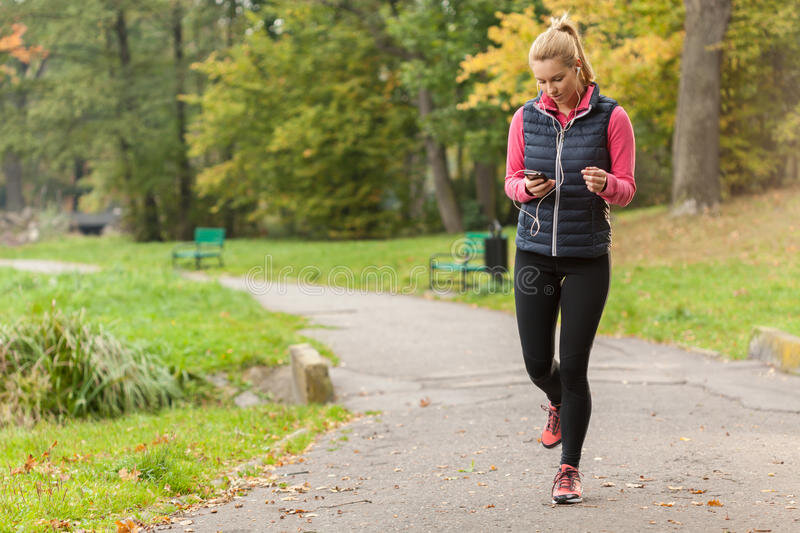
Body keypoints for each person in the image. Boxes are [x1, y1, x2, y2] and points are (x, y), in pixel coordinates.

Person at [503, 13, 636, 504]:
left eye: (557, 78)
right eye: (540, 80)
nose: (549, 88)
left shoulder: (611, 116)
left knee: (575, 366)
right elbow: (511, 180)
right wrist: (526, 189)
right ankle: (555, 400)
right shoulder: (525, 117)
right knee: (538, 363)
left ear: (577, 67)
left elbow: (627, 188)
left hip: (586, 258)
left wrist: (607, 185)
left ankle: (569, 470)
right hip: (534, 253)